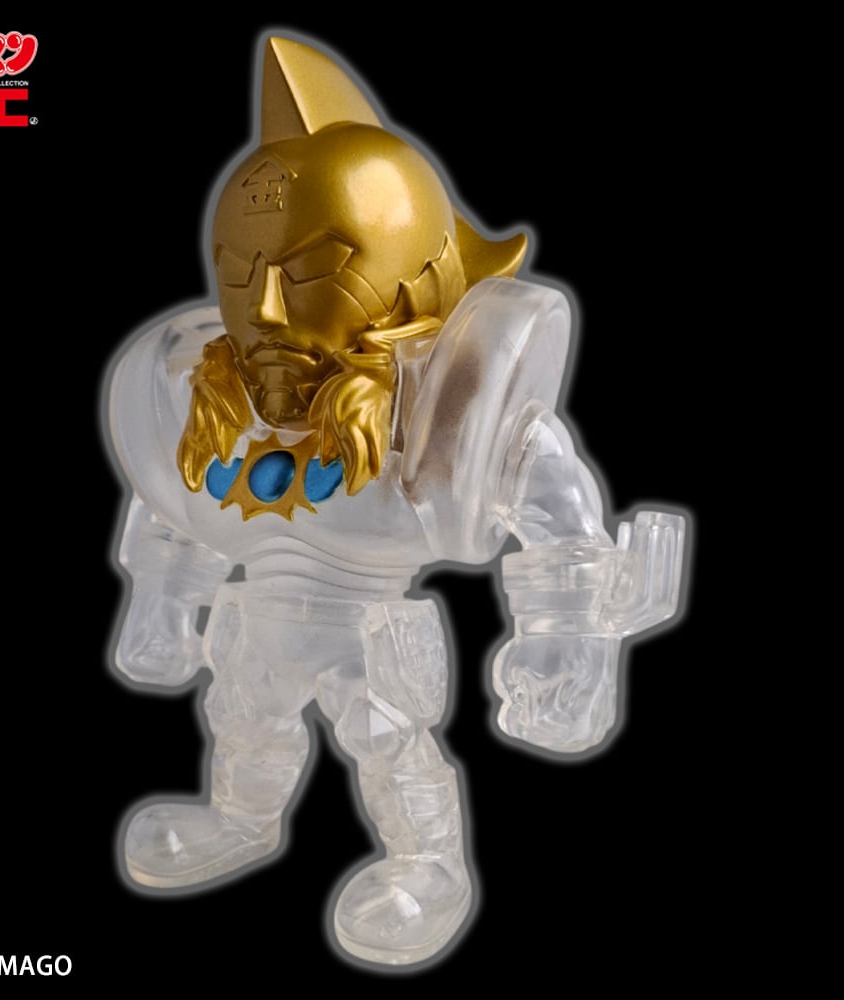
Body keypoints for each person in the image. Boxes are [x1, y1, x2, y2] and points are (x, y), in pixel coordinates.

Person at [108, 35, 684, 966]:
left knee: (388, 740)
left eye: (307, 273)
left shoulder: (444, 410)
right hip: (258, 620)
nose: (267, 312)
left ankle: (427, 862)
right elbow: (174, 497)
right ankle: (242, 817)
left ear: (406, 284)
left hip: (368, 627)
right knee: (243, 716)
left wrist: (567, 642)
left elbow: (556, 508)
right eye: (240, 273)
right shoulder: (211, 393)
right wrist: (165, 599)